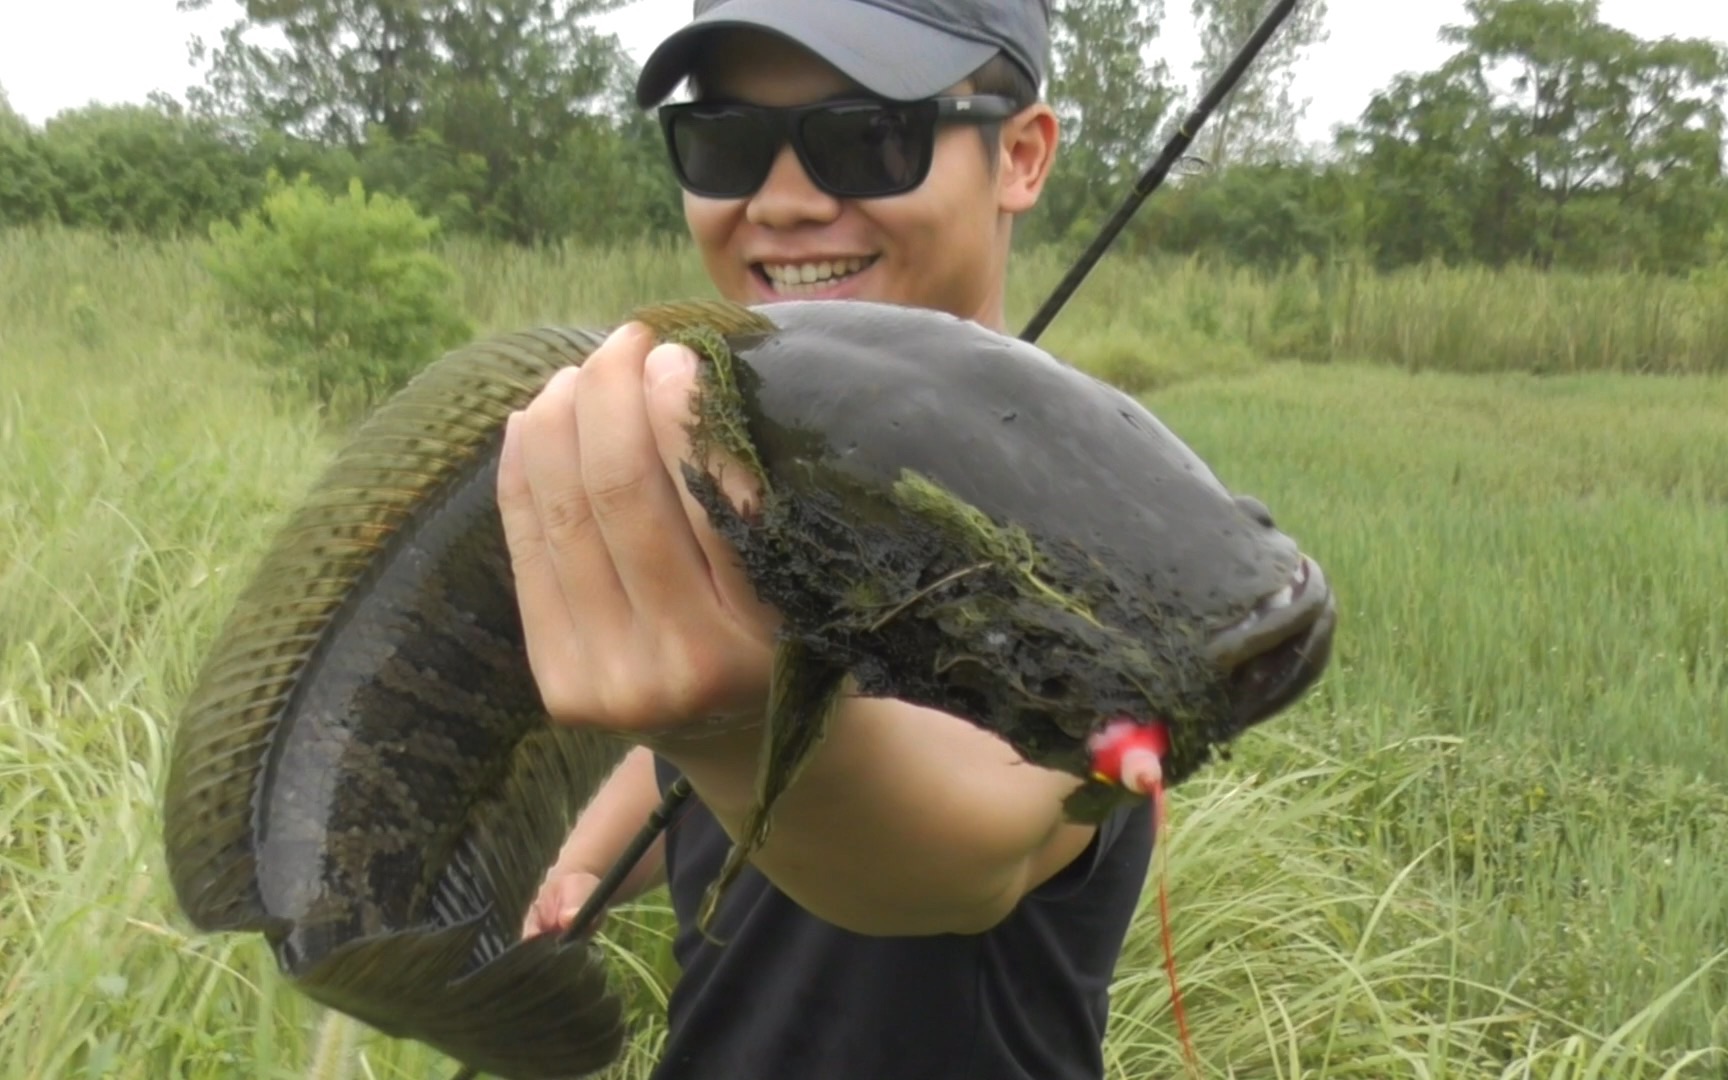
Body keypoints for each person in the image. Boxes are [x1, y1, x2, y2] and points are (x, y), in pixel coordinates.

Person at [499, 2, 1153, 1076]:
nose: (783, 201)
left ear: (1021, 155)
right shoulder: (730, 451)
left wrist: (718, 717)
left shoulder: (1095, 518)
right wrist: (583, 867)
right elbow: (683, 764)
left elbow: (951, 863)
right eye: (727, 142)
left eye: (868, 135)